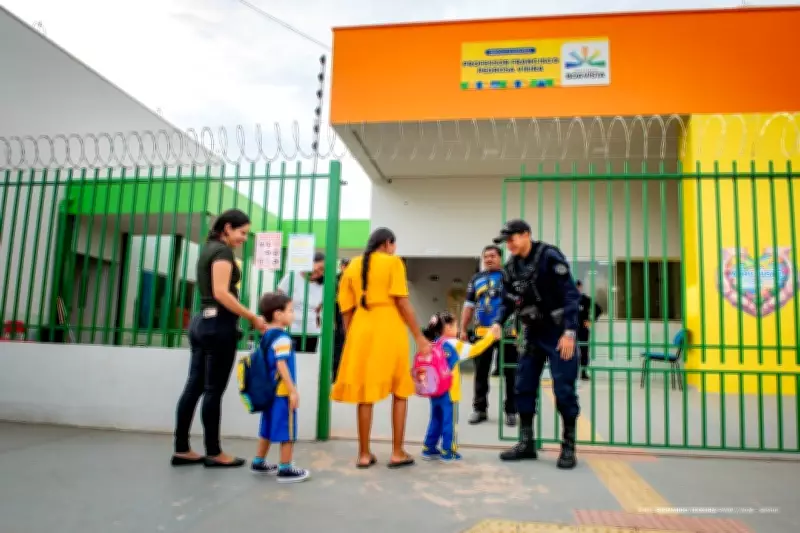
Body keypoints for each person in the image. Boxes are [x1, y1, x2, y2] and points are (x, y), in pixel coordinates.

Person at [172, 209, 267, 468]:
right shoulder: (222, 253)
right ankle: (214, 452)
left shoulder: (208, 249)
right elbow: (222, 293)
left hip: (201, 322)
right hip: (218, 326)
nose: (244, 238)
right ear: (227, 227)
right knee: (213, 390)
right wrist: (252, 317)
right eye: (242, 232)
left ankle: (182, 448)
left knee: (194, 387)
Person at [331, 227, 430, 469]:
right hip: (389, 328)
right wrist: (419, 336)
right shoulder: (393, 263)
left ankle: (364, 454)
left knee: (365, 393)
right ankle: (397, 452)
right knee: (400, 391)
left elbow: (345, 309)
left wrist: (351, 335)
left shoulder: (352, 266)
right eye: (393, 245)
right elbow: (403, 302)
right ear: (387, 243)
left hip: (361, 328)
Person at [490, 219, 581, 469]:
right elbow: (506, 301)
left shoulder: (549, 256)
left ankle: (568, 447)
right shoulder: (510, 268)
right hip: (533, 333)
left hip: (559, 333)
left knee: (563, 390)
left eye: (512, 239)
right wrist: (498, 322)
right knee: (523, 385)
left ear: (526, 235)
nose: (509, 244)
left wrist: (570, 332)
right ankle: (526, 443)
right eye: (506, 241)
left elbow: (571, 295)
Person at [420, 312, 497, 462]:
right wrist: (490, 337)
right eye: (455, 325)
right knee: (449, 421)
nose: (457, 329)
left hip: (434, 390)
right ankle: (448, 451)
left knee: (435, 419)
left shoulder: (434, 343)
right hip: (449, 392)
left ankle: (428, 448)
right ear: (448, 327)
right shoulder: (454, 345)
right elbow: (476, 349)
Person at [250, 292, 310, 483]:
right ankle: (285, 468)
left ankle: (259, 461)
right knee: (287, 429)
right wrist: (293, 391)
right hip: (282, 392)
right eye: (290, 310)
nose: (293, 314)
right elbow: (281, 364)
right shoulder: (282, 338)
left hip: (269, 391)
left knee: (266, 426)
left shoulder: (267, 335)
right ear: (278, 314)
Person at [460, 245, 518, 428]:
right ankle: (480, 409)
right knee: (481, 373)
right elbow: (468, 305)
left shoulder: (509, 276)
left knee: (511, 373)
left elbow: (518, 302)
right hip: (481, 333)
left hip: (507, 332)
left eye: (493, 256)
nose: (489, 259)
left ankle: (511, 411)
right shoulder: (476, 279)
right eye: (486, 256)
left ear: (500, 257)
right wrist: (462, 328)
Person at [277, 252, 324, 353]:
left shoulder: (323, 285)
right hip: (291, 328)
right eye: (319, 267)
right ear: (311, 262)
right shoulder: (292, 277)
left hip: (312, 332)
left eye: (323, 270)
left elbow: (319, 308)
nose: (319, 272)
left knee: (308, 362)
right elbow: (278, 300)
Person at [576, 280, 603, 381]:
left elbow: (599, 309)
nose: (577, 289)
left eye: (579, 287)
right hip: (571, 329)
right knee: (570, 350)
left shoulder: (585, 300)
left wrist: (591, 321)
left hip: (583, 329)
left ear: (581, 288)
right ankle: (571, 372)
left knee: (584, 350)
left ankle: (583, 373)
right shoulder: (569, 299)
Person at [332, 257, 351, 383]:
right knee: (338, 344)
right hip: (337, 312)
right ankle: (336, 375)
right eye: (345, 266)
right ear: (342, 267)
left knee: (347, 343)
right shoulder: (336, 280)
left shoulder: (352, 279)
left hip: (348, 312)